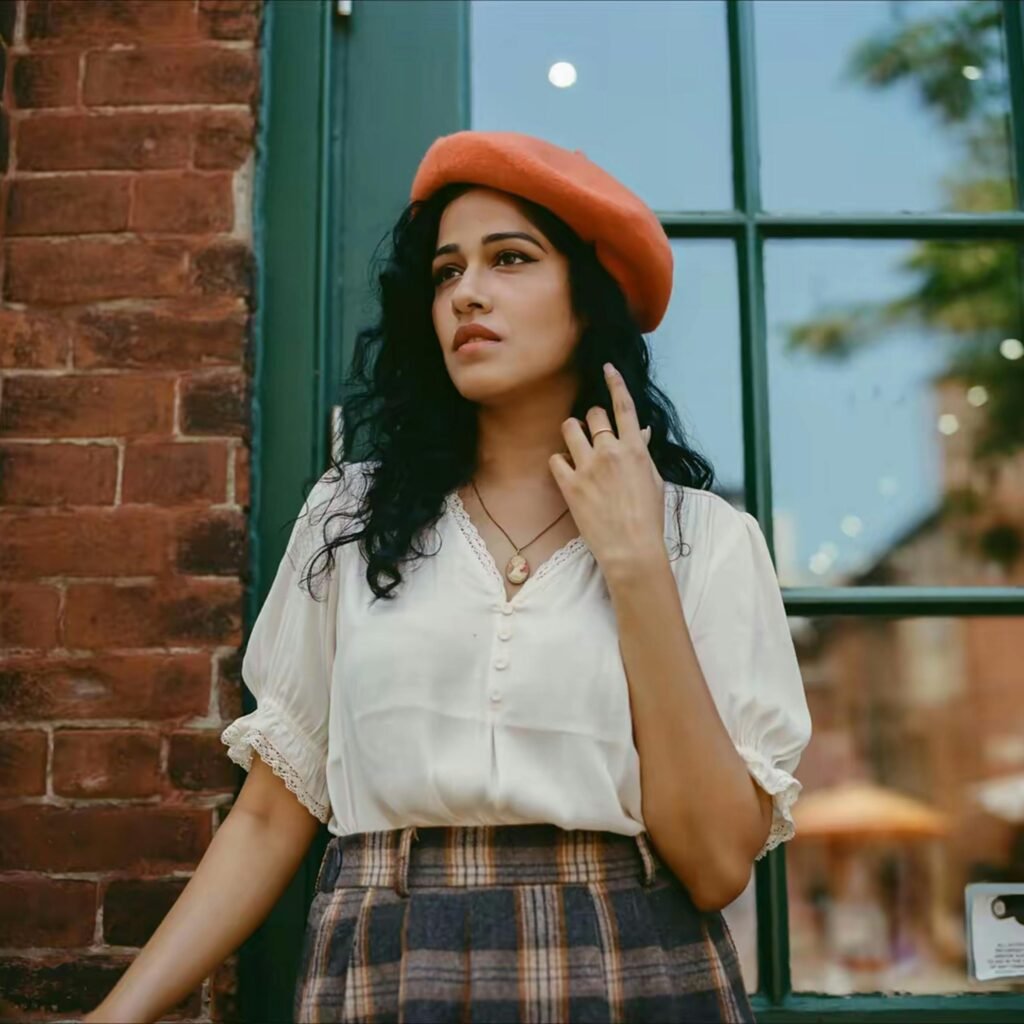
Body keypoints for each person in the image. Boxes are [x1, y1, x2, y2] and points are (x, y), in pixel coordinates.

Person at [85, 130, 812, 1023]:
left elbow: (713, 861)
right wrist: (112, 1019)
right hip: (388, 963)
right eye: (445, 272)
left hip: (631, 969)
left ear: (590, 300)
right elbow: (273, 819)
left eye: (511, 259)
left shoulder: (708, 540)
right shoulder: (352, 517)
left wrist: (635, 561)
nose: (468, 291)